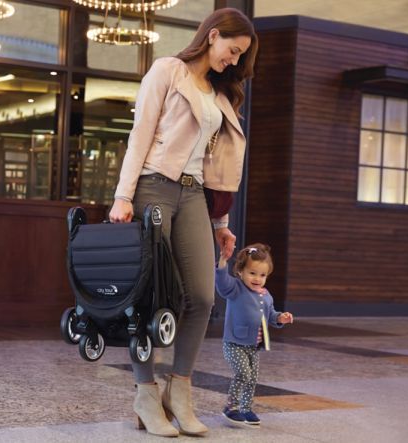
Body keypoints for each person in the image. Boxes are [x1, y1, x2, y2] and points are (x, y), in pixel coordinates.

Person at [108, 7, 259, 438]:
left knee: (201, 296)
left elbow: (217, 164)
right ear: (212, 36)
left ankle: (180, 390)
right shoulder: (168, 71)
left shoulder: (218, 92)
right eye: (232, 51)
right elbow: (140, 135)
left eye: (239, 56)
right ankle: (145, 392)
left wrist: (222, 220)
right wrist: (122, 197)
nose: (233, 61)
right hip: (152, 187)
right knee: (148, 295)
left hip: (193, 194)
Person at [215, 243, 294, 427]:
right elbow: (222, 284)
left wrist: (280, 318)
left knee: (252, 378)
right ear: (241, 272)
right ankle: (231, 407)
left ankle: (246, 408)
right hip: (234, 343)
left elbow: (271, 315)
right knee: (243, 373)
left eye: (262, 275)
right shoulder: (235, 288)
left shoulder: (266, 295)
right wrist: (222, 263)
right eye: (252, 273)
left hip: (254, 346)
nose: (257, 278)